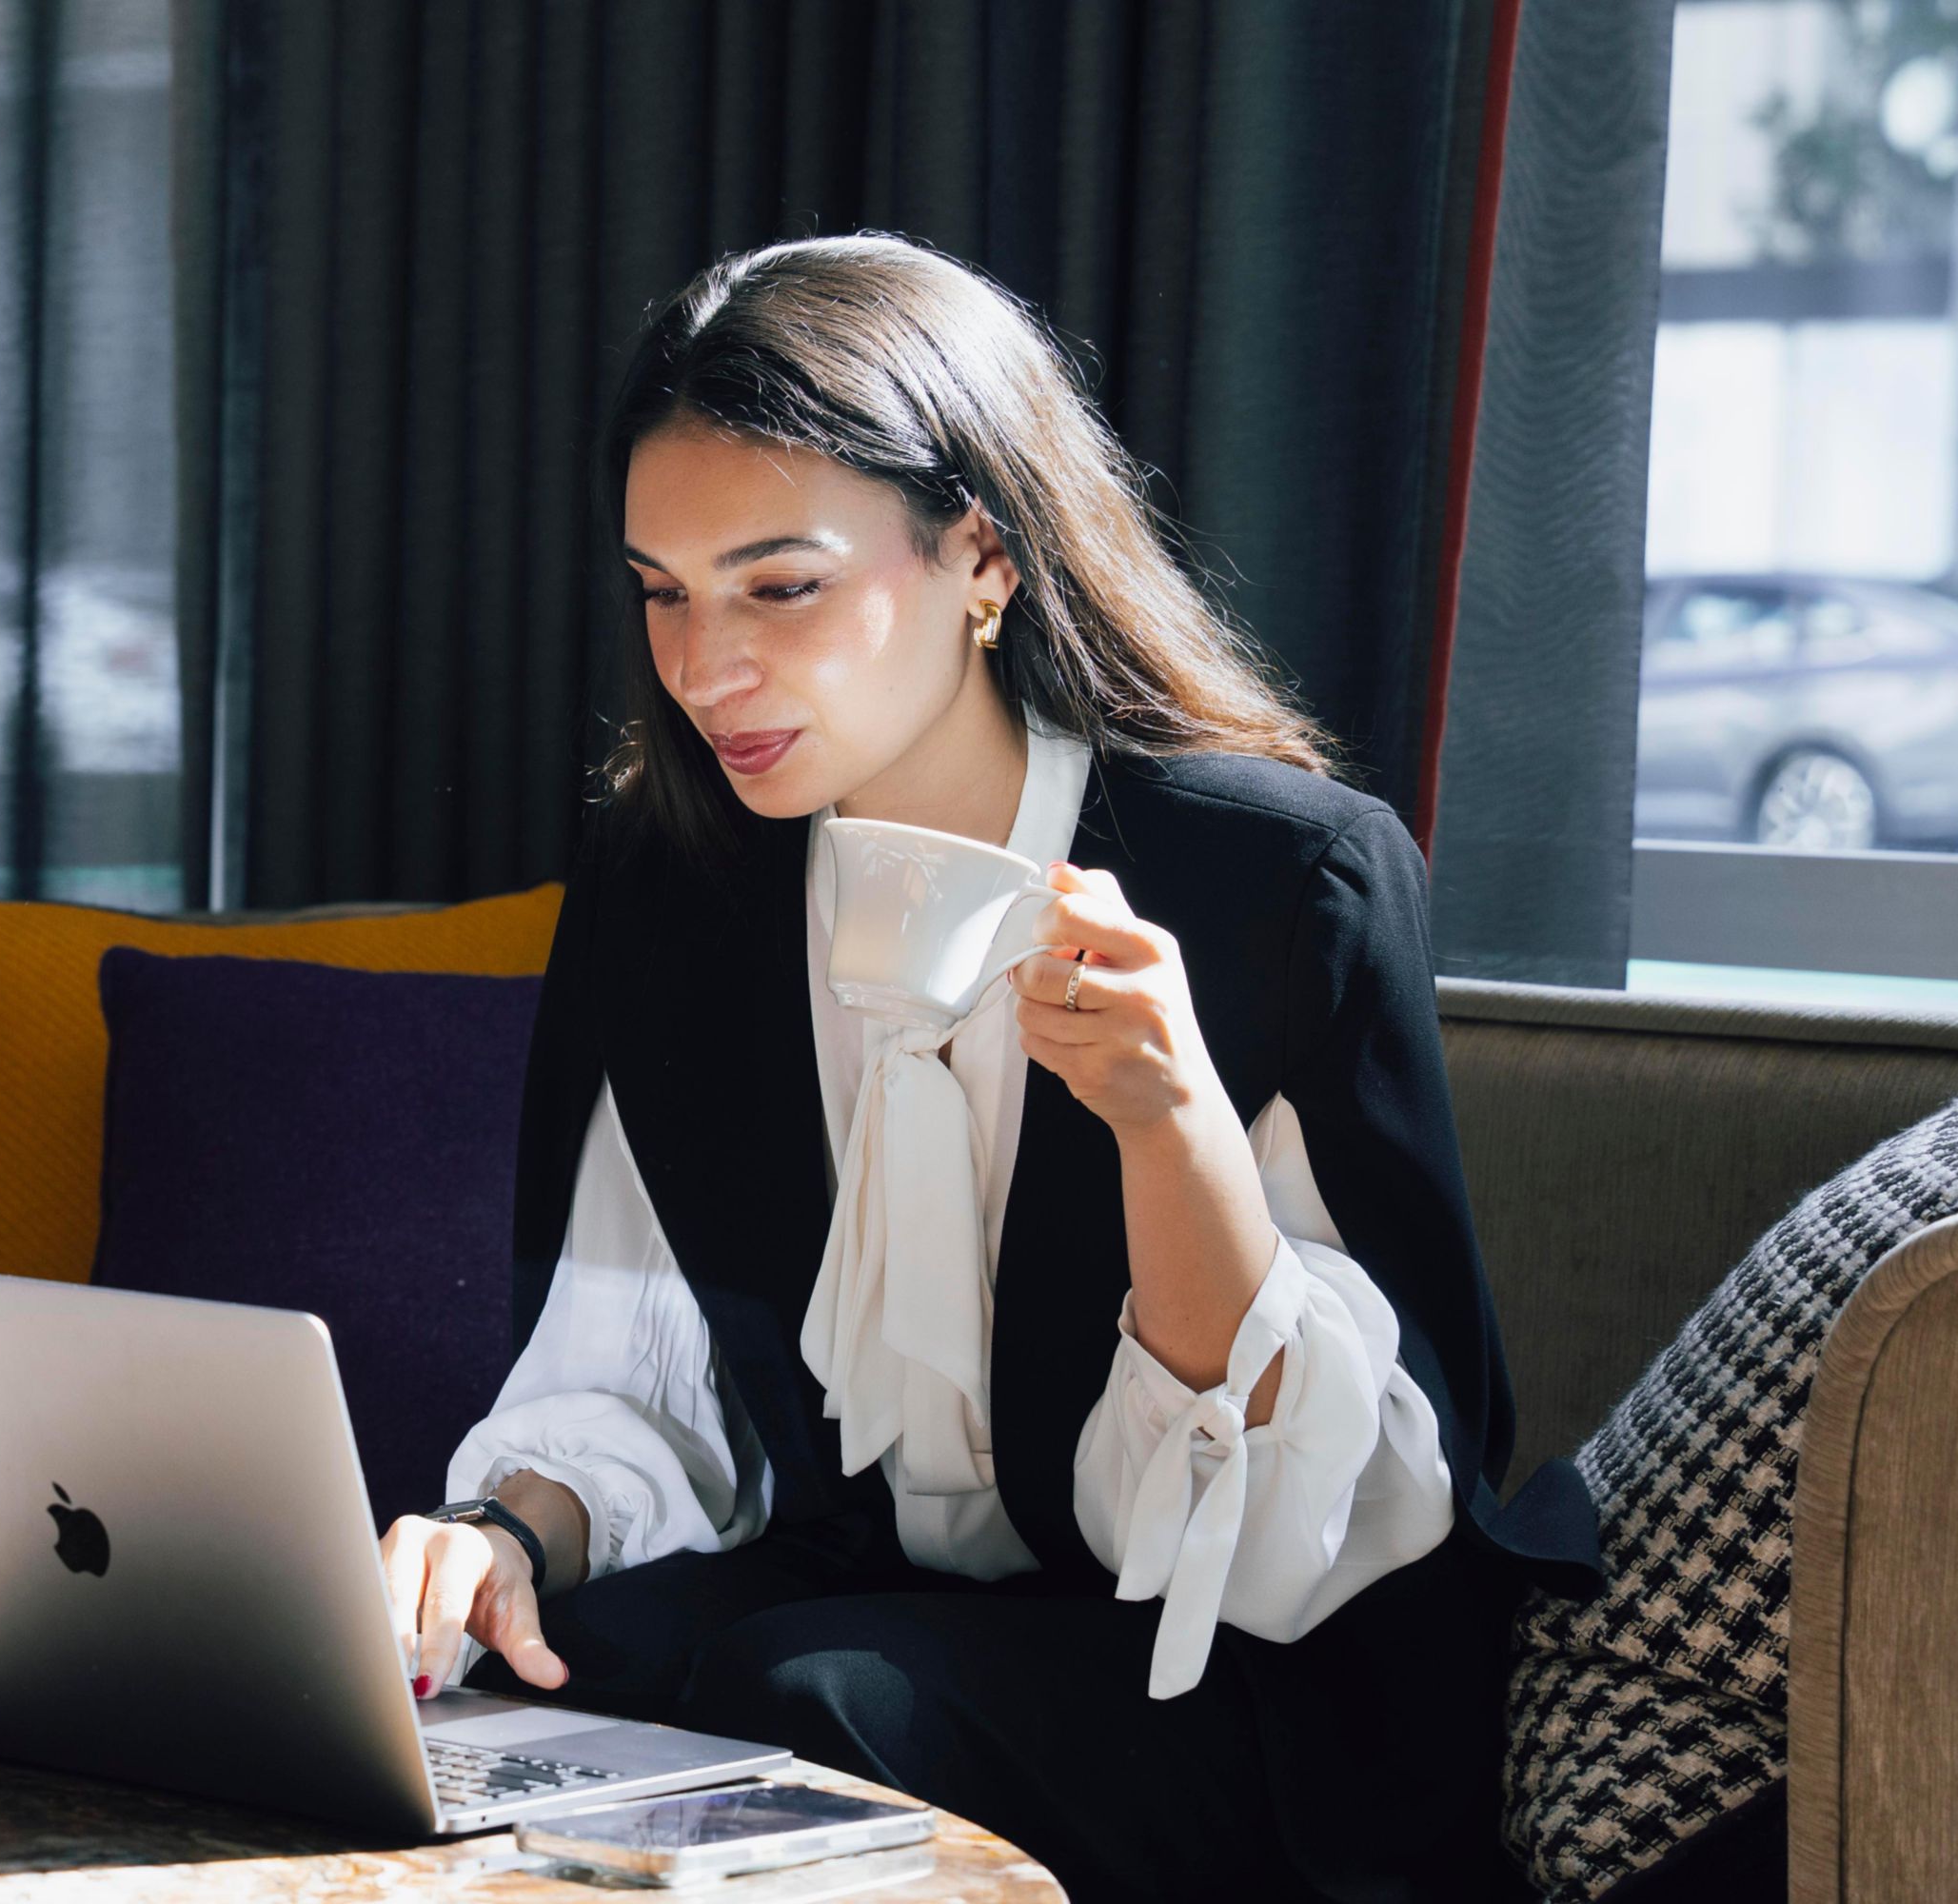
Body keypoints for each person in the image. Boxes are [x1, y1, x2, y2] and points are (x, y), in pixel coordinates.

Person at [375, 235, 1598, 1903]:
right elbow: (634, 1365)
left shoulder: (1277, 886)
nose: (702, 666)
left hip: (1246, 1674)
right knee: (512, 1683)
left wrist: (1172, 1129)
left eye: (779, 585)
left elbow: (1323, 1534)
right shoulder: (676, 889)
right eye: (663, 590)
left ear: (983, 561)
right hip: (862, 1601)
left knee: (797, 1697)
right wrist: (501, 1538)